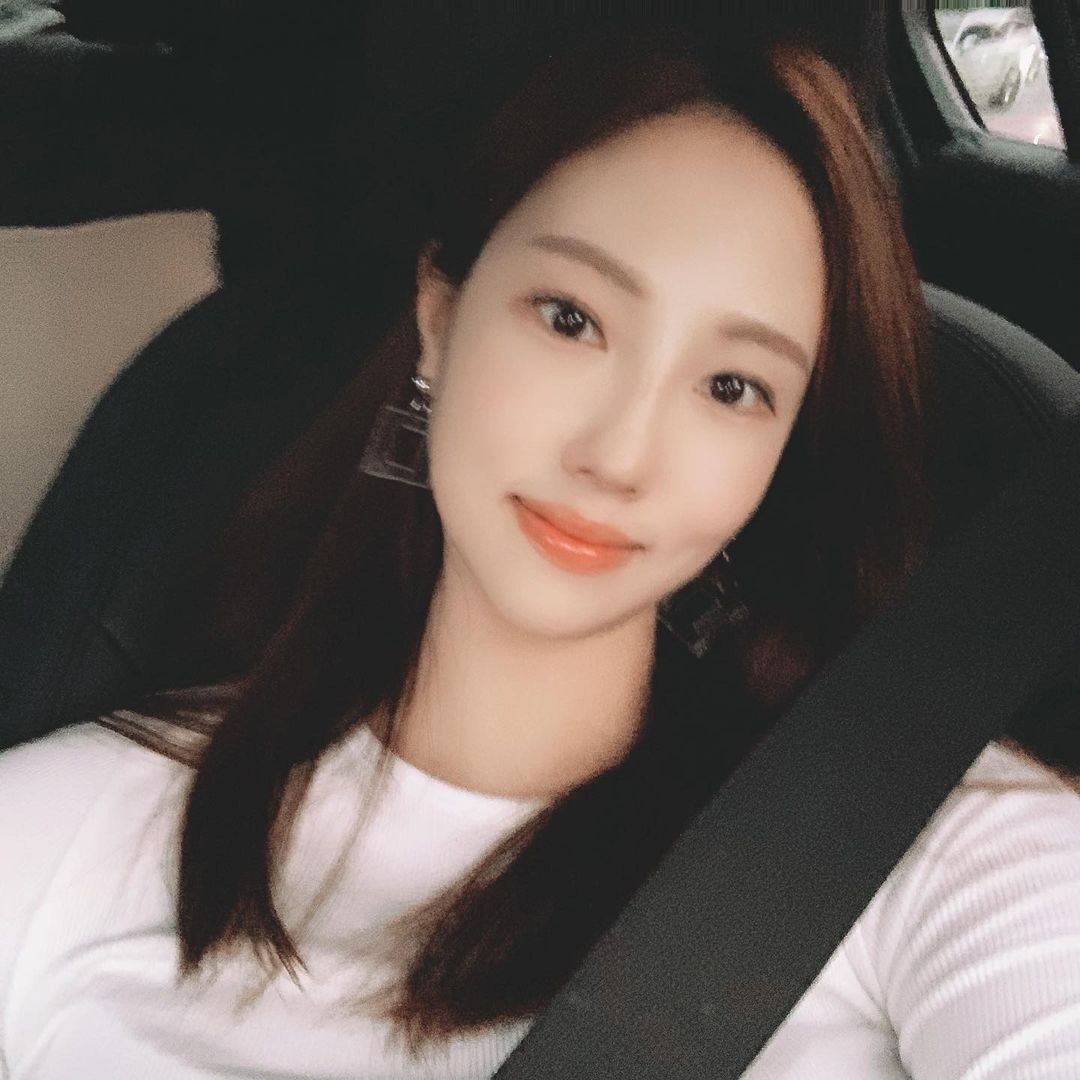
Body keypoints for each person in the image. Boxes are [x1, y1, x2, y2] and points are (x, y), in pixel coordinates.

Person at [1, 22, 1079, 1080]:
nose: (619, 455)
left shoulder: (925, 845)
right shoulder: (62, 833)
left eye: (732, 387)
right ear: (440, 315)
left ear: (781, 458)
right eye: (570, 318)